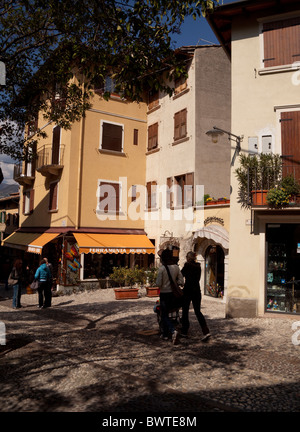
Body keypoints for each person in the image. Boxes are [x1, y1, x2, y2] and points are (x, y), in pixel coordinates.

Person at [181, 251, 211, 341]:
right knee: (198, 311)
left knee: (185, 311)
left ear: (189, 258)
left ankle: (184, 331)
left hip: (188, 290)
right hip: (197, 290)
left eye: (187, 257)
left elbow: (181, 274)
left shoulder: (187, 265)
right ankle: (206, 331)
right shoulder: (198, 266)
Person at [156, 248, 184, 344]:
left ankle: (172, 330)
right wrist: (174, 283)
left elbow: (158, 283)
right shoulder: (176, 267)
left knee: (164, 314)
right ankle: (165, 334)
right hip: (174, 295)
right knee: (169, 313)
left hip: (164, 294)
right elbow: (181, 281)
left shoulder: (162, 268)